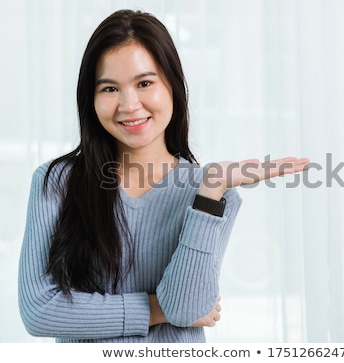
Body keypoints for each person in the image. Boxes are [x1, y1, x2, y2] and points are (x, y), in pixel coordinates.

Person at [18, 9, 309, 343]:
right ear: (91, 99)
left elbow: (185, 309)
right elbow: (39, 311)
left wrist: (210, 190)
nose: (129, 105)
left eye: (144, 83)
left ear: (172, 86)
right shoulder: (56, 182)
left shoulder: (212, 193)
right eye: (110, 89)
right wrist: (154, 308)